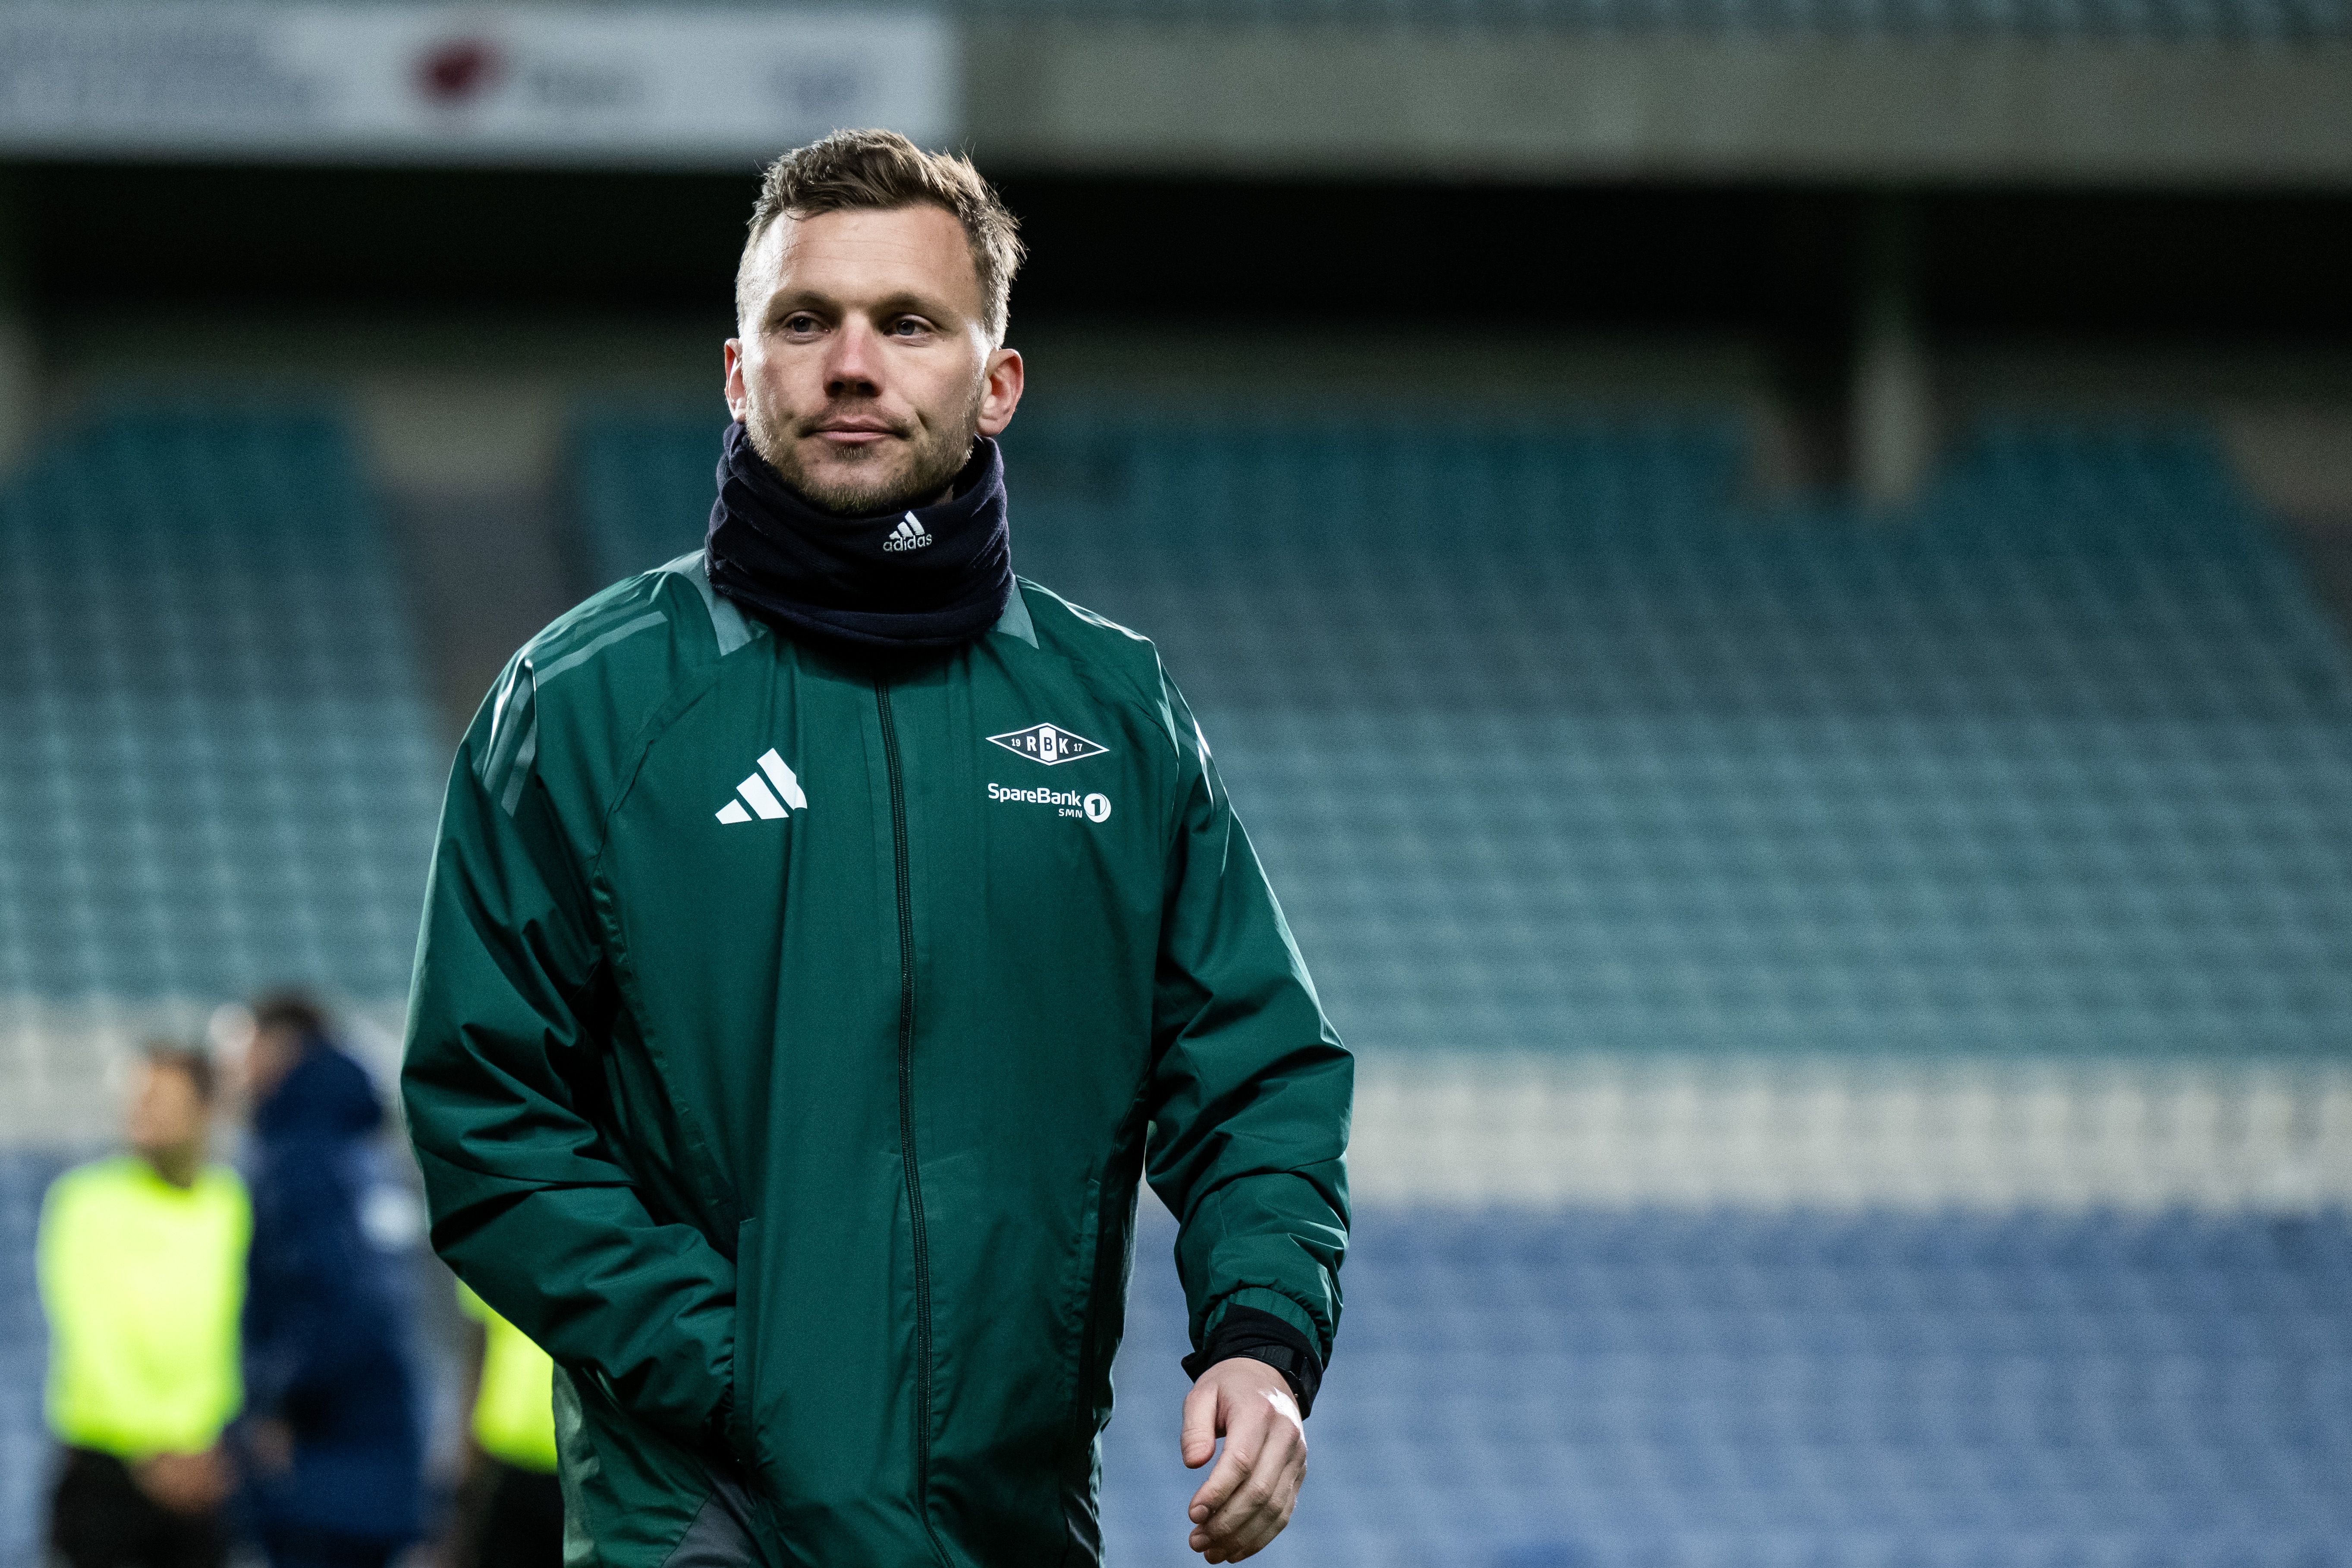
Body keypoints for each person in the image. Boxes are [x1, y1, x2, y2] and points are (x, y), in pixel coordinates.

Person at [402, 129, 1351, 1568]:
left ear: (997, 380)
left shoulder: (1114, 711)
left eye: (907, 323)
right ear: (740, 372)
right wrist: (742, 1371)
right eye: (806, 322)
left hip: (1015, 1521)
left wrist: (1261, 1337)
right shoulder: (582, 704)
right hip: (707, 1514)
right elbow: (485, 1110)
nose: (852, 364)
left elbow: (1257, 1068)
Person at [39, 1043, 248, 1568]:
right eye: (138, 1097)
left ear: (206, 1109)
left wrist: (213, 1445)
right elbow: (91, 1333)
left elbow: (244, 1338)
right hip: (107, 1469)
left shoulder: (236, 1204)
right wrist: (153, 1452)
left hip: (207, 1471)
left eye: (161, 1097)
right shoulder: (86, 1200)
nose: (143, 1110)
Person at [239, 991, 426, 1568]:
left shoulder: (299, 1157)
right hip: (386, 1448)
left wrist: (277, 1402)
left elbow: (334, 1301)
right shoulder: (368, 1148)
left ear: (279, 1047)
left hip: (322, 1464)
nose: (235, 1069)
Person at [448, 1282, 563, 1568]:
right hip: (501, 1456)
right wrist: (466, 1451)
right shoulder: (494, 1254)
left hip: (583, 1465)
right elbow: (479, 1343)